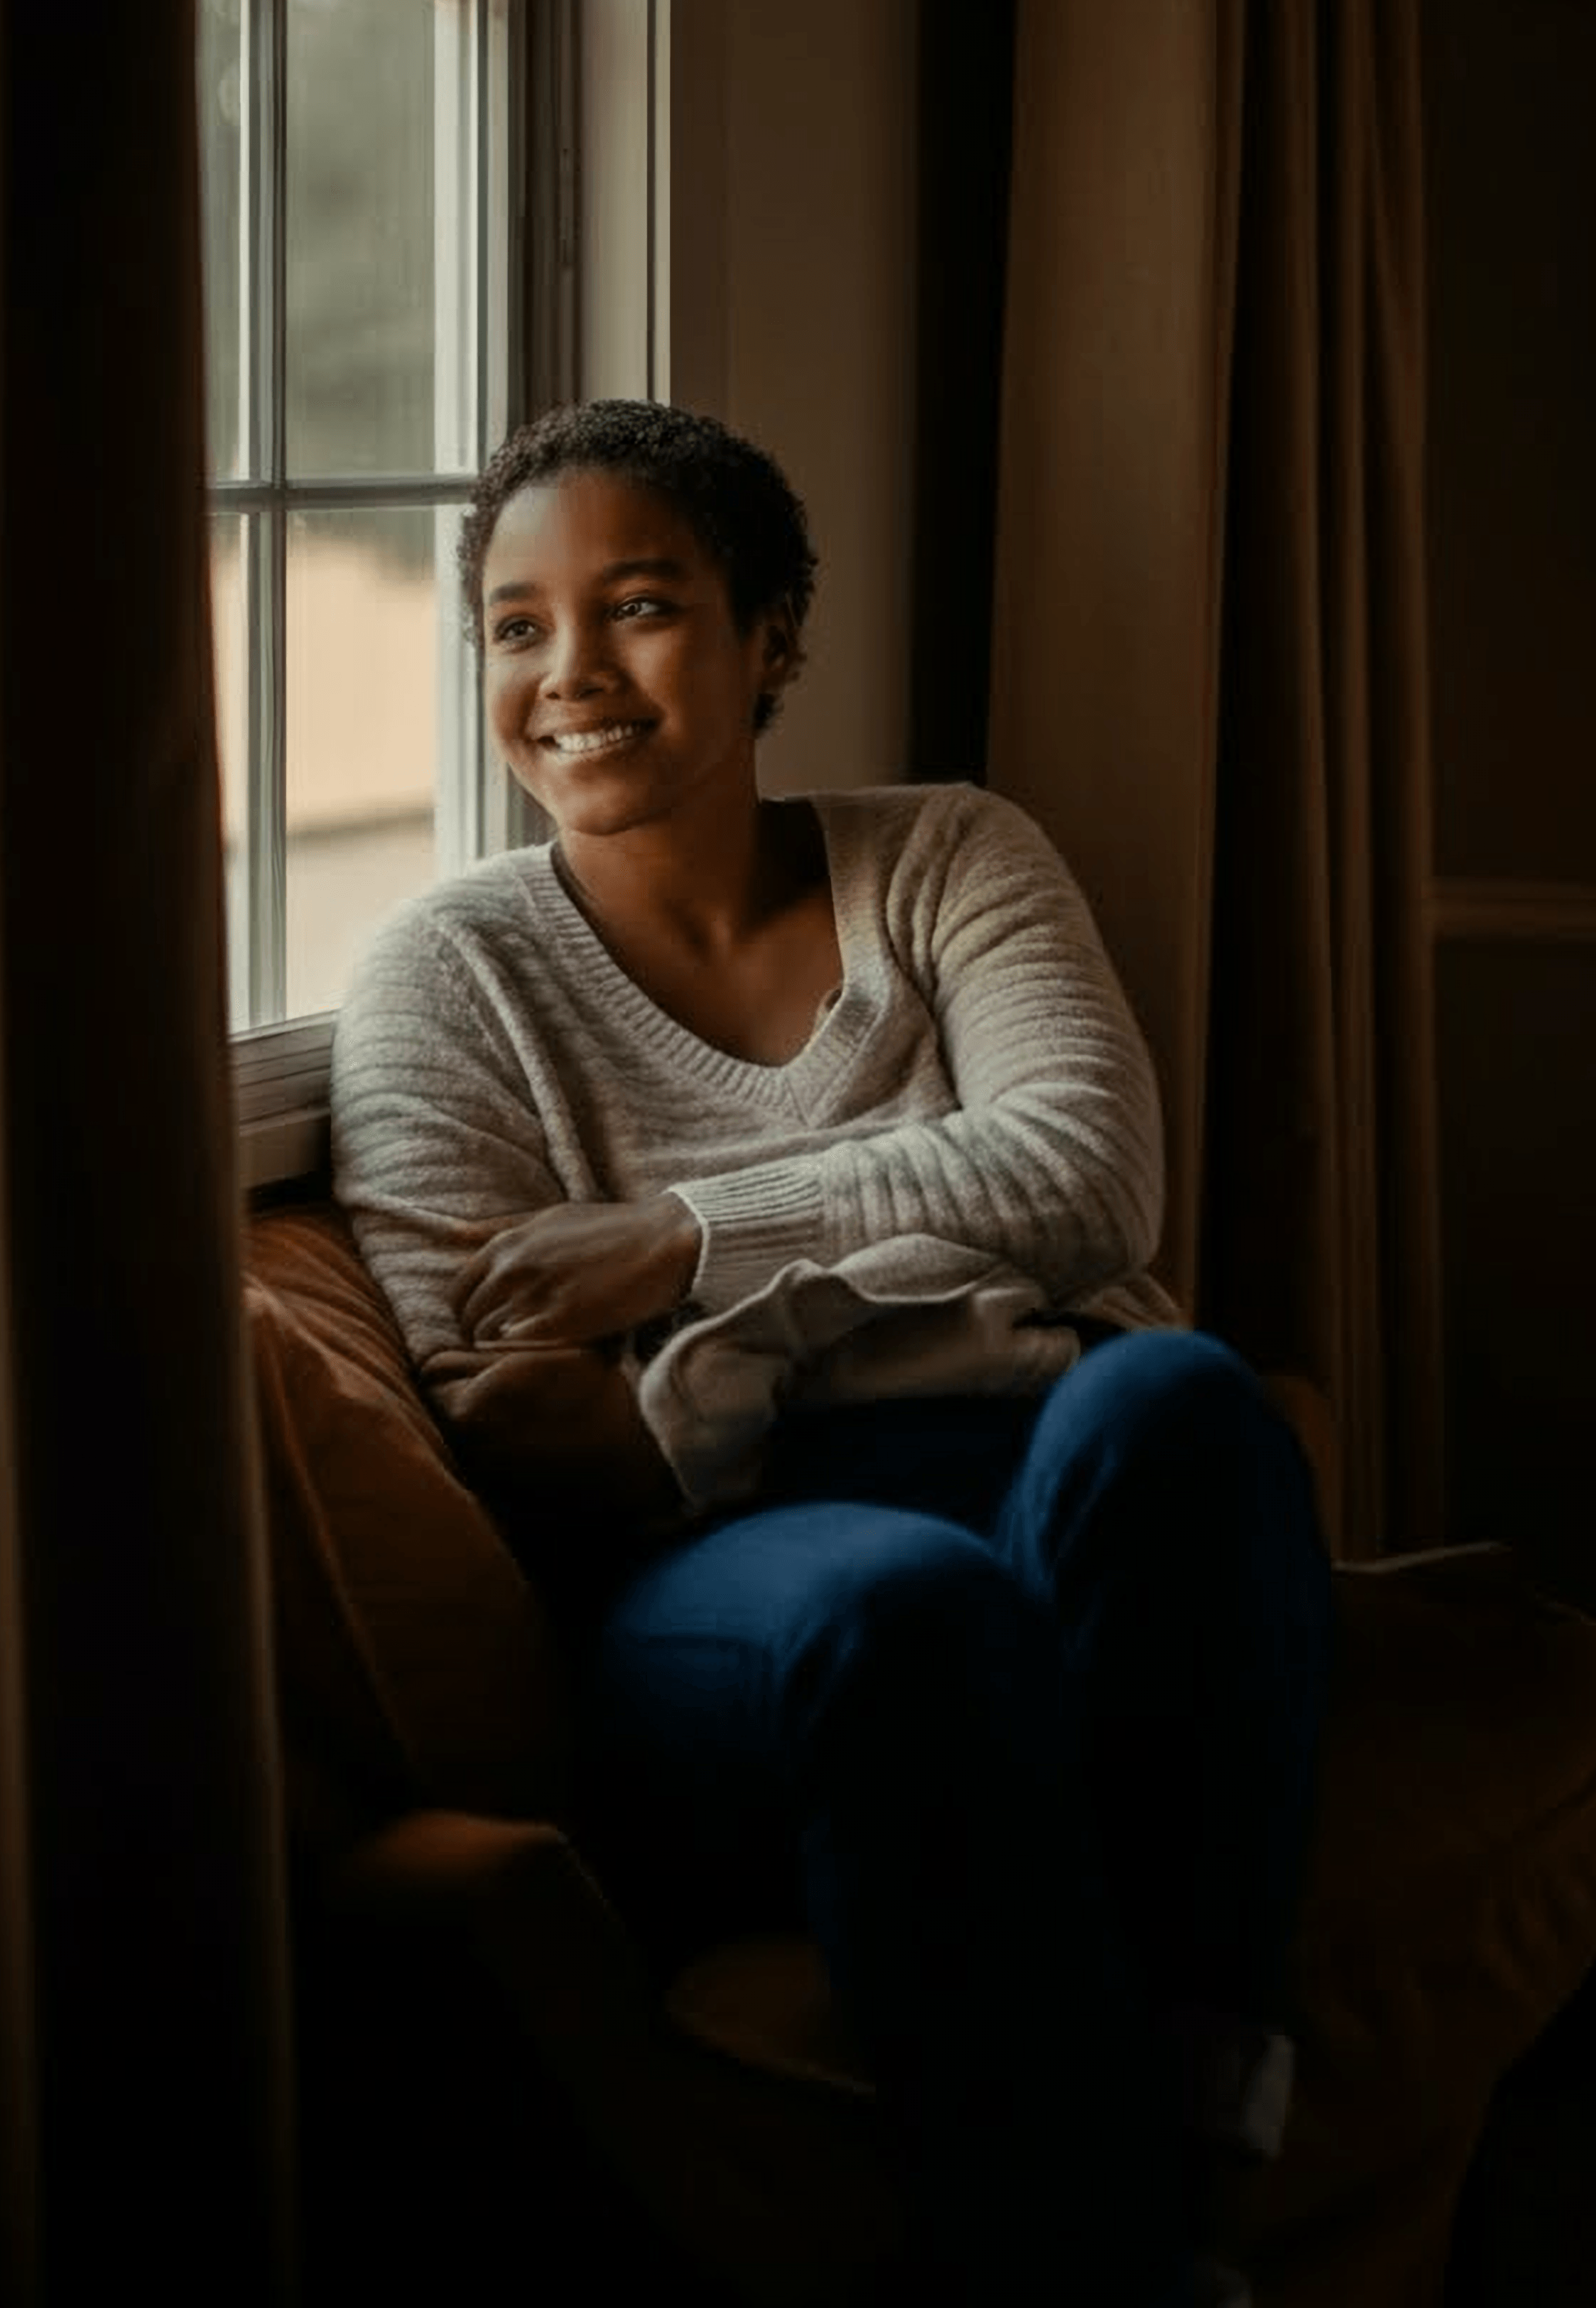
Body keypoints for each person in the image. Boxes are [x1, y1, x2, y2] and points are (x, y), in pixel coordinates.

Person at [328, 398, 1332, 2308]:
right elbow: (514, 1412)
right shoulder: (441, 977)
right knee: (915, 1602)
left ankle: (1200, 2149)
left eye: (640, 606)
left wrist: (685, 1256)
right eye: (518, 628)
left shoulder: (949, 856)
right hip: (734, 1574)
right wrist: (892, 1295)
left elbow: (1092, 1181)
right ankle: (1084, 2255)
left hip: (1046, 1472)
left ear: (774, 633)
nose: (572, 675)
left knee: (1183, 1396)